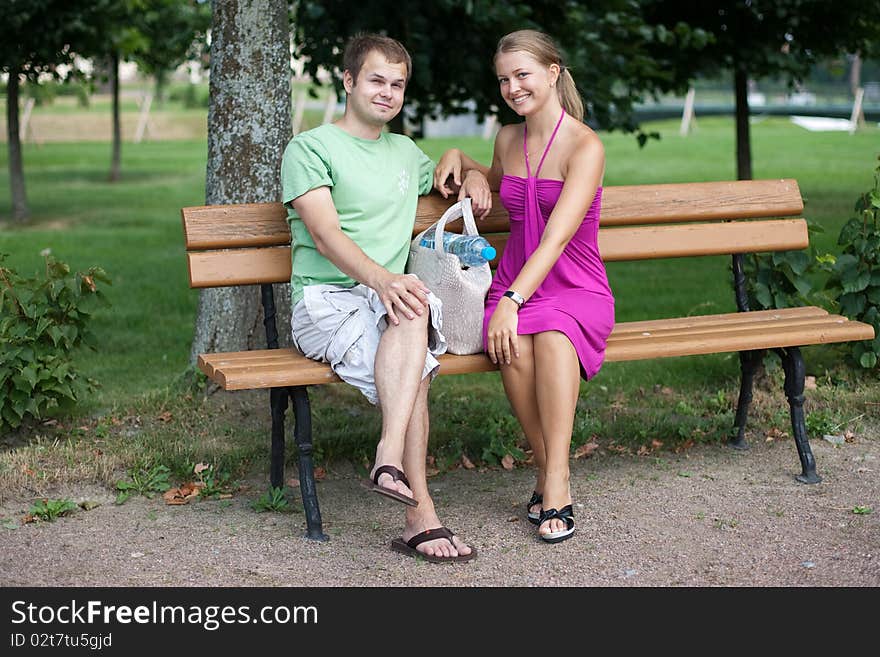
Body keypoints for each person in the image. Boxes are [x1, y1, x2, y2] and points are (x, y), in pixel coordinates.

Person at [281, 34, 475, 563]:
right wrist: (382, 280)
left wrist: (469, 164)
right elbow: (325, 236)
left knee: (411, 303)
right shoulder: (310, 148)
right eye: (376, 80)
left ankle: (388, 460)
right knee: (415, 370)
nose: (387, 93)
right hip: (327, 300)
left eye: (397, 84)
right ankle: (422, 514)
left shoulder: (405, 153)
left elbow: (453, 175)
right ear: (348, 81)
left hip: (385, 300)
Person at [434, 29, 614, 544]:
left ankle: (554, 480)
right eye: (504, 80)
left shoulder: (586, 145)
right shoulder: (509, 138)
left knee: (555, 336)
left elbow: (557, 238)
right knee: (512, 349)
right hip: (516, 278)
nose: (512, 88)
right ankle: (547, 470)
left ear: (553, 72)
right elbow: (492, 179)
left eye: (523, 75)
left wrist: (512, 301)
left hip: (574, 283)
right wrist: (461, 164)